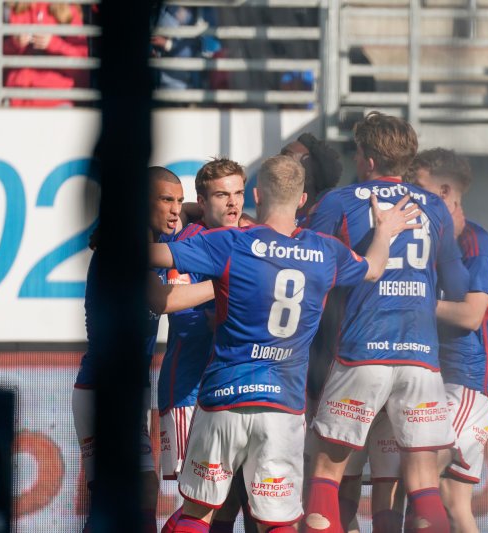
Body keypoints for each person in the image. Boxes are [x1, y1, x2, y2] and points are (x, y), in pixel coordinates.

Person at [149, 155, 420, 533]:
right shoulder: (326, 251)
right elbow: (373, 268)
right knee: (275, 521)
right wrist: (385, 231)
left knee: (198, 511)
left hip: (225, 396)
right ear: (303, 200)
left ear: (256, 196)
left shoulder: (232, 242)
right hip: (284, 406)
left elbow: (155, 255)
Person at [303, 111, 469, 533]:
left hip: (362, 350)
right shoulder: (433, 206)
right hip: (420, 357)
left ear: (369, 161)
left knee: (326, 469)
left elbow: (307, 266)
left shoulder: (339, 202)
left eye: (358, 151)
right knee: (422, 480)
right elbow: (457, 282)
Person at [72, 166, 185, 533]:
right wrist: (232, 282)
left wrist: (193, 210)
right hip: (104, 388)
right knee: (135, 491)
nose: (176, 210)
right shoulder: (126, 247)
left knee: (129, 495)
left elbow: (190, 213)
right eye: (166, 200)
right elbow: (160, 300)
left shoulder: (147, 240)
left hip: (124, 388)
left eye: (180, 202)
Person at [153, 158, 251, 533]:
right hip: (189, 391)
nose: (232, 203)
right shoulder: (186, 243)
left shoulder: (255, 237)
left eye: (238, 193)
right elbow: (186, 320)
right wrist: (236, 289)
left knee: (238, 499)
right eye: (222, 194)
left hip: (240, 392)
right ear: (202, 199)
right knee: (201, 503)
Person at [407, 148, 488, 533]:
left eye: (418, 188)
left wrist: (409, 299)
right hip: (437, 377)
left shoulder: (474, 241)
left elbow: (469, 315)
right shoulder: (429, 239)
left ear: (444, 191)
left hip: (466, 383)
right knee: (453, 502)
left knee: (421, 470)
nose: (409, 196)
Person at [3, 2, 89, 107]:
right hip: (17, 99)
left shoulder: (69, 11)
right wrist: (15, 43)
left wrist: (54, 44)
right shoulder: (15, 8)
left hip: (56, 101)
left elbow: (83, 64)